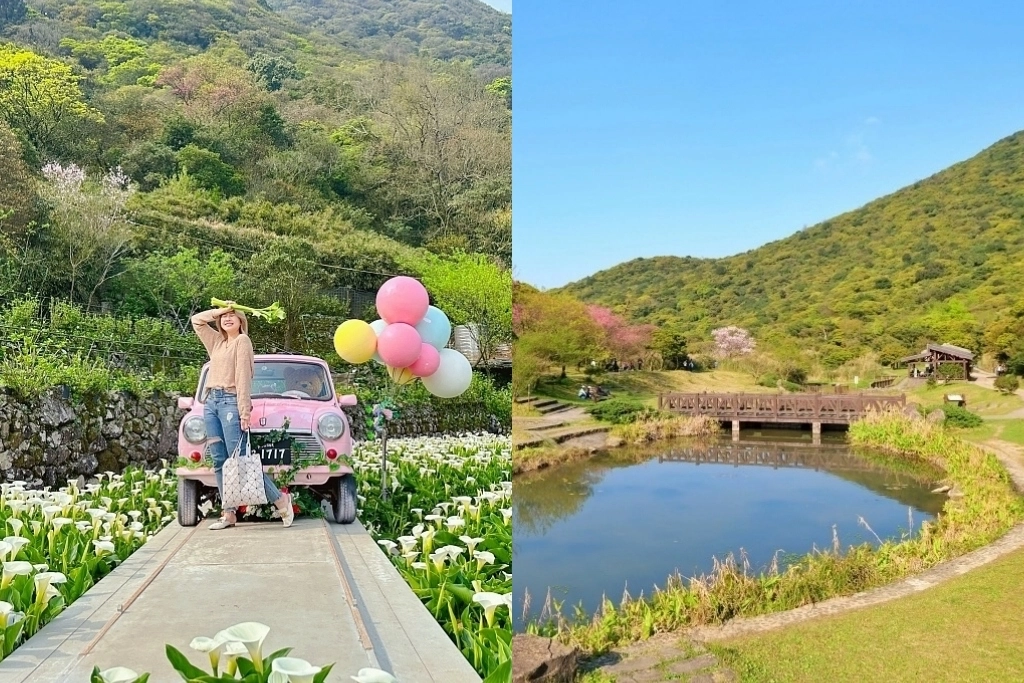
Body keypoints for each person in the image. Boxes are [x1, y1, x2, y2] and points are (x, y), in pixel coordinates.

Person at [192, 303, 294, 530]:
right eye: (224, 316)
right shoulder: (217, 342)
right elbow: (197, 321)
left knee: (240, 461)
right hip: (211, 403)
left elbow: (243, 378)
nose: (227, 318)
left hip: (230, 402)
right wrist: (219, 310)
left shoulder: (242, 342)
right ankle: (228, 514)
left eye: (233, 315)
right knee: (219, 460)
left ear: (241, 320)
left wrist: (244, 411)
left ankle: (280, 499)